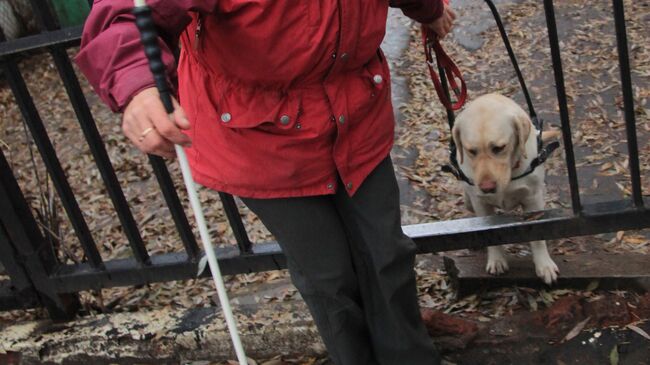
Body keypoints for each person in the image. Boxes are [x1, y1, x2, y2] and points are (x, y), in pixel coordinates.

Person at [77, 1, 455, 364]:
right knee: (329, 275)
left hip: (356, 114)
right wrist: (138, 84)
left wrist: (430, 9)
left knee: (386, 253)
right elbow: (125, 13)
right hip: (259, 136)